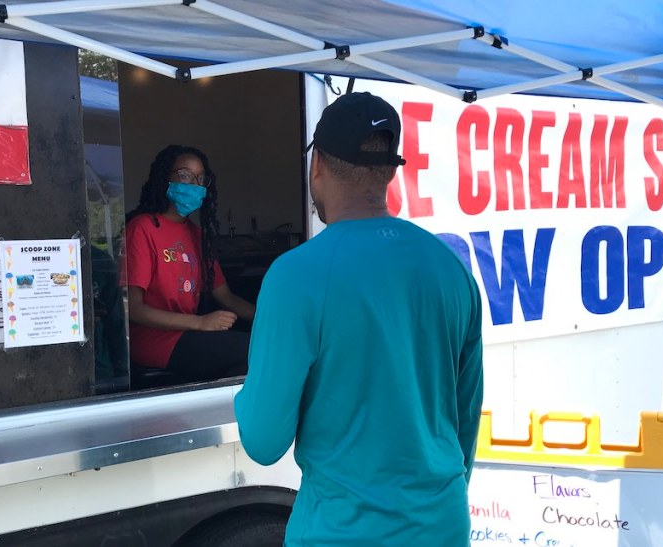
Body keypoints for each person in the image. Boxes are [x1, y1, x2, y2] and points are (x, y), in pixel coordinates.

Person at [234, 92, 484, 546]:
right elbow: (464, 421)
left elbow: (263, 441)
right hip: (441, 526)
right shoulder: (451, 268)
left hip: (343, 532)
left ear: (317, 167)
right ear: (389, 171)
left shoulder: (296, 276)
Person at [123, 145, 256, 382]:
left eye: (200, 179)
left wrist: (268, 320)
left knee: (261, 346)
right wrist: (201, 322)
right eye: (184, 175)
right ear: (165, 177)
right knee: (249, 352)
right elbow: (132, 308)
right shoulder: (142, 228)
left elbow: (226, 297)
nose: (193, 184)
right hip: (153, 340)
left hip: (187, 334)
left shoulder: (197, 235)